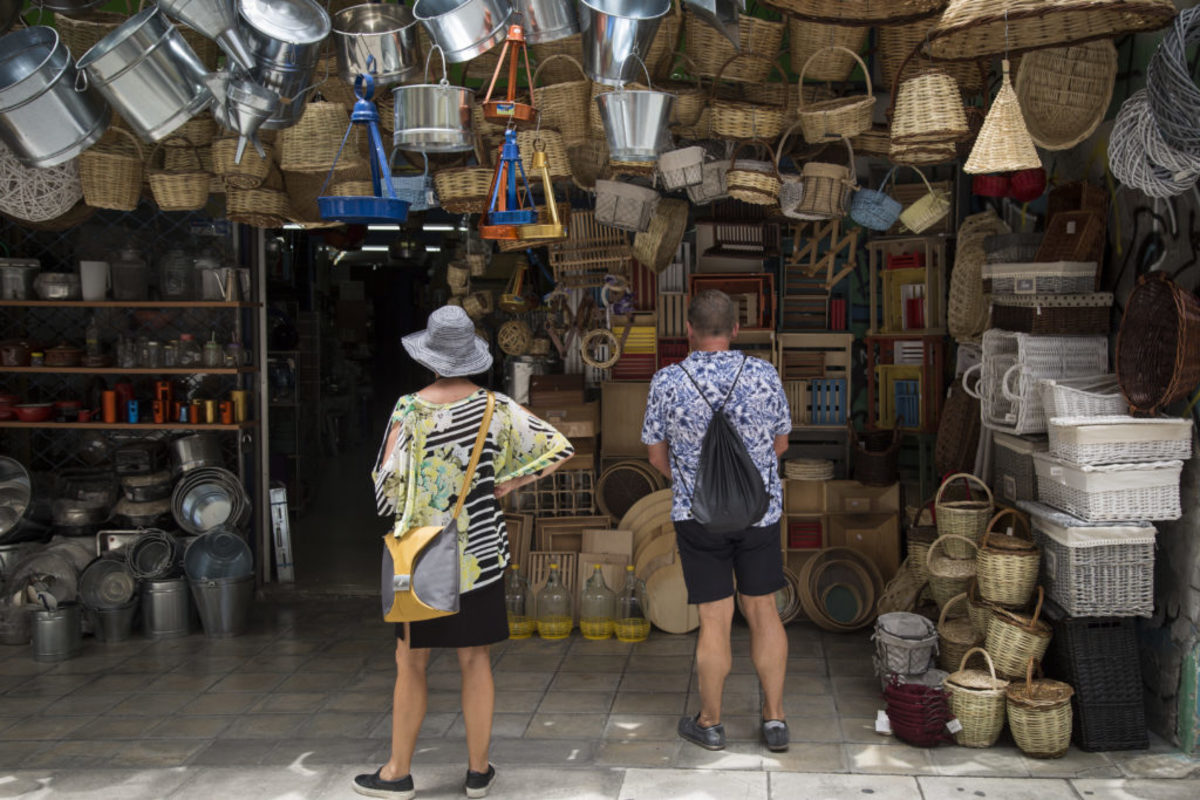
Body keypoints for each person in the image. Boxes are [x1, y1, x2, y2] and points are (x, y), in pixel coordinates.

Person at [356, 305, 574, 799]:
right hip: (479, 555)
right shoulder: (497, 408)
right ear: (470, 358)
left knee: (410, 661)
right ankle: (478, 772)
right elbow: (558, 446)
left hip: (419, 558)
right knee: (475, 660)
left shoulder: (408, 410)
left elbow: (385, 490)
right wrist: (509, 481)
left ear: (430, 358)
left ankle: (397, 772)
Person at [641, 289, 792, 753]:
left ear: (688, 330)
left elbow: (656, 455)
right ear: (735, 330)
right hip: (758, 513)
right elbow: (781, 444)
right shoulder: (764, 374)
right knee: (763, 609)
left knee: (714, 618)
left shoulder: (668, 381)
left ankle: (710, 722)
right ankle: (774, 720)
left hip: (697, 515)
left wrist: (695, 484)